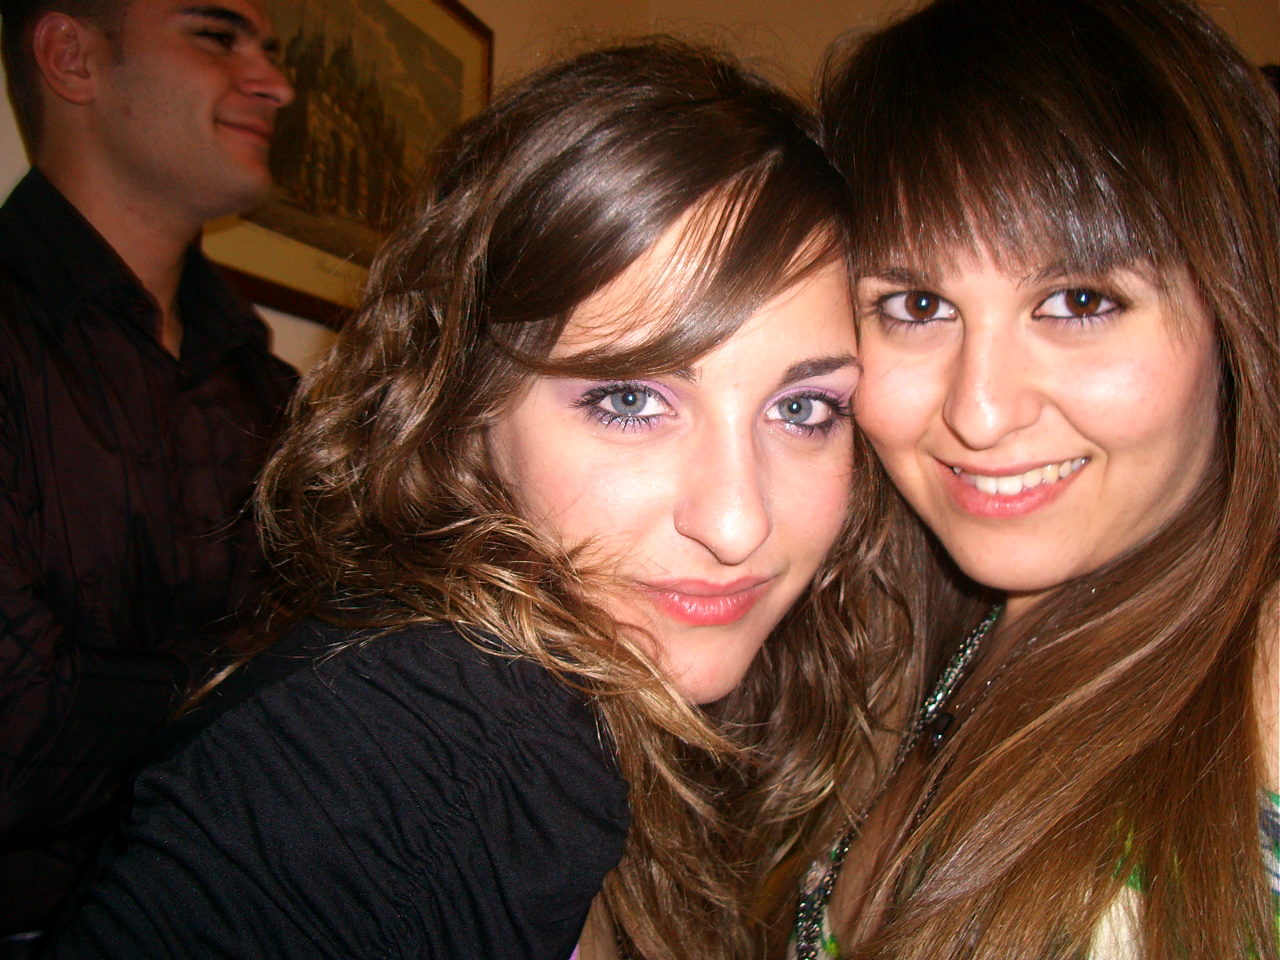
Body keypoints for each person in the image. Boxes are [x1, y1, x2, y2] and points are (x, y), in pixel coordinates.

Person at [45, 39, 909, 960]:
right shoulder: (417, 735)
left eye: (803, 409)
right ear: (465, 407)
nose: (738, 524)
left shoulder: (676, 710)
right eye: (628, 400)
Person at [779, 0, 1280, 957]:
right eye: (917, 304)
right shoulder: (905, 640)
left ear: (1236, 305)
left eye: (1080, 300)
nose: (980, 411)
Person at [0, 0, 297, 939]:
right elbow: (14, 735)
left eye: (269, 50)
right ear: (71, 57)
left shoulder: (269, 387)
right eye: (215, 37)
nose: (276, 85)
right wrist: (274, 679)